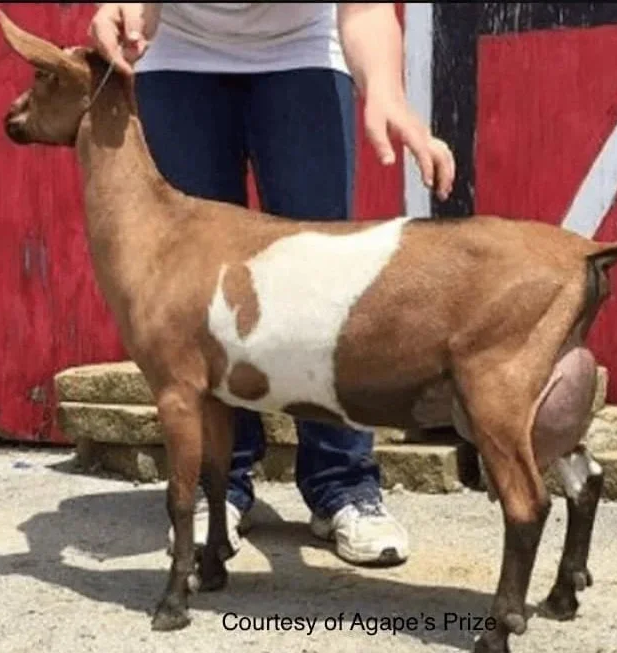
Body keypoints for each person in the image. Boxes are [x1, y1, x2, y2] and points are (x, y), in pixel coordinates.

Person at [88, 2, 455, 567]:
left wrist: (386, 91)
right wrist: (126, 14)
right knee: (196, 301)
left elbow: (365, 10)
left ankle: (344, 484)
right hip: (181, 60)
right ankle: (221, 488)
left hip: (302, 53)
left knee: (324, 284)